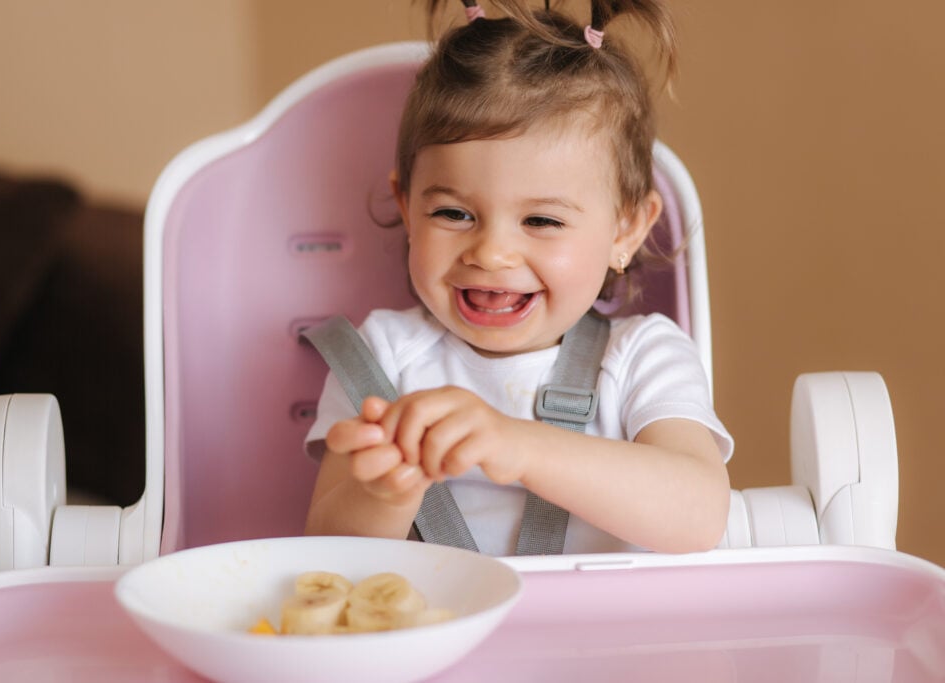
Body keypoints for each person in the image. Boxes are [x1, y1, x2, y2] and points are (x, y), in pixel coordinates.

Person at [303, 0, 733, 555]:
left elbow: (698, 516)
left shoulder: (641, 358)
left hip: (607, 639)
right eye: (453, 214)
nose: (492, 253)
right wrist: (384, 495)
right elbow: (324, 555)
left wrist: (519, 446)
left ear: (625, 231)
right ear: (407, 208)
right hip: (441, 636)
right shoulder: (382, 359)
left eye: (542, 220)